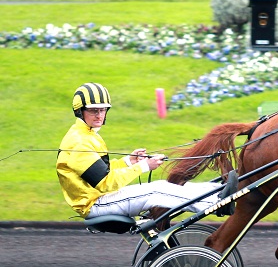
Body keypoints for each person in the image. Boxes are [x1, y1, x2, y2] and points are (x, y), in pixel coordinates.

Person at [56, 82, 226, 220]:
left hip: (101, 198)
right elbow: (105, 183)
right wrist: (144, 166)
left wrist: (128, 162)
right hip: (95, 205)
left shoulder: (87, 134)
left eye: (103, 110)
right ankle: (218, 203)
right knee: (156, 192)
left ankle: (218, 191)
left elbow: (100, 171)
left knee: (162, 187)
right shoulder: (78, 142)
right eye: (94, 110)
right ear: (79, 111)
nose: (99, 115)